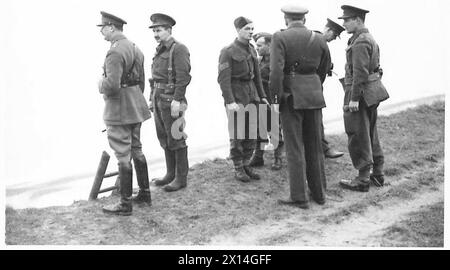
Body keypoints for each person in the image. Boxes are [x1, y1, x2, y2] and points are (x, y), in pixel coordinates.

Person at [269, 5, 330, 209]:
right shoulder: (319, 38)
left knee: (295, 148)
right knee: (315, 145)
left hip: (291, 97)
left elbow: (276, 72)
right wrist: (313, 85)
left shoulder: (280, 37)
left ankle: (299, 196)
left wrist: (276, 98)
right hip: (313, 95)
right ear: (303, 19)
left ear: (286, 19)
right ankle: (320, 194)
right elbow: (324, 68)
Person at [97, 11, 152, 216]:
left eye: (102, 28)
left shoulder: (114, 52)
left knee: (122, 153)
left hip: (119, 109)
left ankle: (125, 204)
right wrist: (136, 101)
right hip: (135, 105)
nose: (101, 32)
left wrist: (100, 83)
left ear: (111, 27)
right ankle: (145, 194)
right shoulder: (135, 48)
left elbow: (111, 86)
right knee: (136, 148)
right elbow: (142, 81)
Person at [337, 5, 389, 192]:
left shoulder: (359, 42)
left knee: (358, 134)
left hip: (359, 93)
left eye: (346, 19)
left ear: (357, 20)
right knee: (371, 132)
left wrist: (354, 99)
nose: (343, 24)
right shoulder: (369, 38)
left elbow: (359, 73)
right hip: (371, 92)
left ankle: (362, 179)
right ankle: (378, 173)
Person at [218, 17, 269, 182]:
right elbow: (223, 80)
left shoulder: (252, 50)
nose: (251, 32)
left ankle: (247, 163)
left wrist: (262, 96)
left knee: (252, 133)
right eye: (247, 29)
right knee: (238, 134)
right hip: (237, 97)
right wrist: (230, 101)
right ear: (238, 30)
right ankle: (238, 167)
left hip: (252, 95)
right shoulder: (228, 51)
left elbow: (257, 77)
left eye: (252, 29)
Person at [148, 13, 191, 192]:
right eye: (154, 31)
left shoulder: (178, 49)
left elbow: (184, 77)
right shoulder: (160, 50)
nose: (156, 34)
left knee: (176, 137)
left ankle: (181, 178)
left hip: (172, 100)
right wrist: (151, 98)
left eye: (159, 30)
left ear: (169, 30)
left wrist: (177, 99)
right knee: (164, 137)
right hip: (159, 98)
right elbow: (156, 78)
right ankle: (170, 174)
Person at [249, 32, 284, 170]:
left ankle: (278, 158)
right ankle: (258, 157)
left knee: (274, 128)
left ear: (269, 45)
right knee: (259, 128)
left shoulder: (277, 61)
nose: (257, 48)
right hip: (259, 99)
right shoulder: (258, 61)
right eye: (256, 45)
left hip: (272, 99)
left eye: (260, 45)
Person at [315, 19, 346, 159]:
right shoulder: (320, 42)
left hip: (308, 88)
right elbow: (319, 70)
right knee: (316, 119)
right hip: (313, 88)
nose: (333, 39)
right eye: (334, 36)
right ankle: (324, 149)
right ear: (328, 30)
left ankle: (319, 148)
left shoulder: (313, 39)